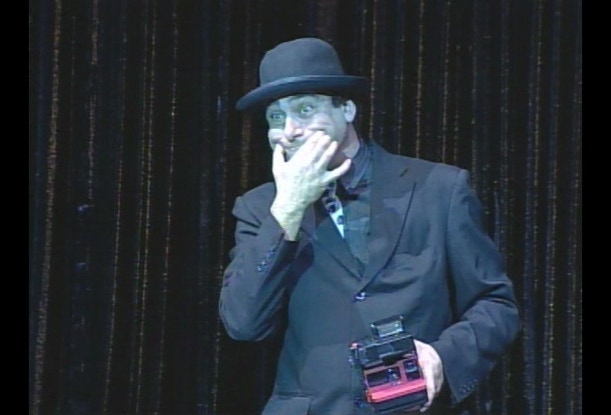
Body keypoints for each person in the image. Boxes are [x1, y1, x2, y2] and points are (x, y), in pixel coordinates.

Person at [219, 37, 521, 415]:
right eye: (276, 117)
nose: (289, 130)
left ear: (346, 108)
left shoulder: (438, 189)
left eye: (305, 109)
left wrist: (442, 357)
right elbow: (244, 323)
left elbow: (495, 304)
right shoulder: (261, 207)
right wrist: (289, 208)